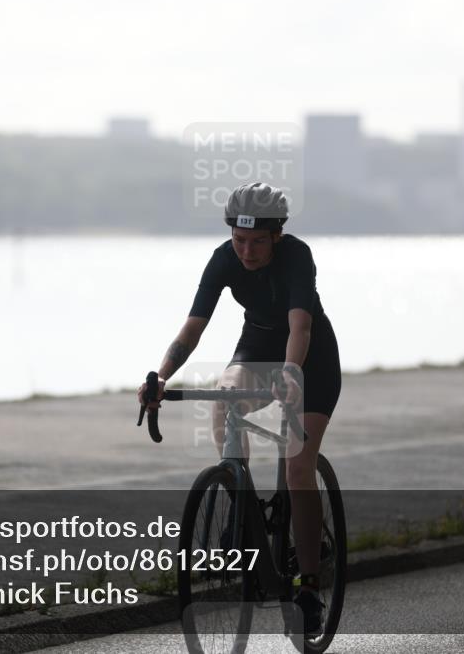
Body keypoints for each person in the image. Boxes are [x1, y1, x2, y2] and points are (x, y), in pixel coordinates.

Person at [137, 181, 341, 635]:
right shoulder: (223, 258)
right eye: (239, 239)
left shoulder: (297, 256)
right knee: (224, 398)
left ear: (276, 236)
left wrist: (290, 372)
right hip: (256, 345)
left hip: (310, 357)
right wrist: (162, 376)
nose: (246, 251)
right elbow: (192, 328)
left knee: (297, 466)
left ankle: (309, 588)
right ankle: (239, 500)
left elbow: (301, 328)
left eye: (257, 242)